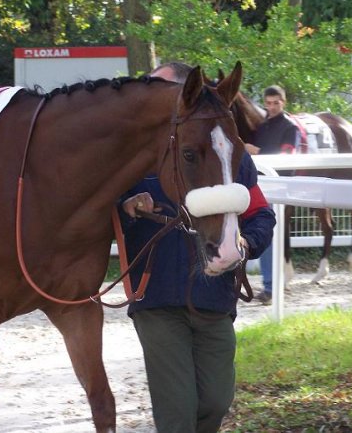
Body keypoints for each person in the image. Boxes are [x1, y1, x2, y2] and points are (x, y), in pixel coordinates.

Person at [119, 62, 276, 433]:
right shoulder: (131, 157)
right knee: (177, 413)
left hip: (216, 299)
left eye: (159, 91)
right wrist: (126, 207)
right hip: (157, 299)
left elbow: (261, 215)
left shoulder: (230, 155)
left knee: (217, 401)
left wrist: (246, 243)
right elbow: (97, 213)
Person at [244, 85, 301, 304]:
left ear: (283, 102)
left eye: (276, 103)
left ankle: (272, 287)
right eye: (268, 103)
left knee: (271, 235)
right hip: (263, 183)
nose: (272, 107)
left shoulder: (290, 127)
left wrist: (255, 151)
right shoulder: (264, 126)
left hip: (281, 185)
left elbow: (287, 156)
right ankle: (270, 286)